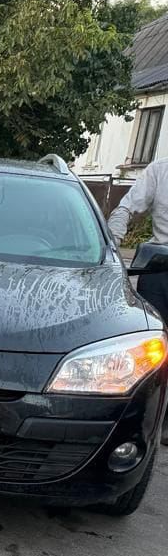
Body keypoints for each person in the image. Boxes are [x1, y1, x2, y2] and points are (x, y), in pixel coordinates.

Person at [108, 156, 168, 442]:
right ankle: (140, 415)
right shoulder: (160, 170)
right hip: (160, 267)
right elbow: (127, 207)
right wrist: (111, 241)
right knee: (149, 347)